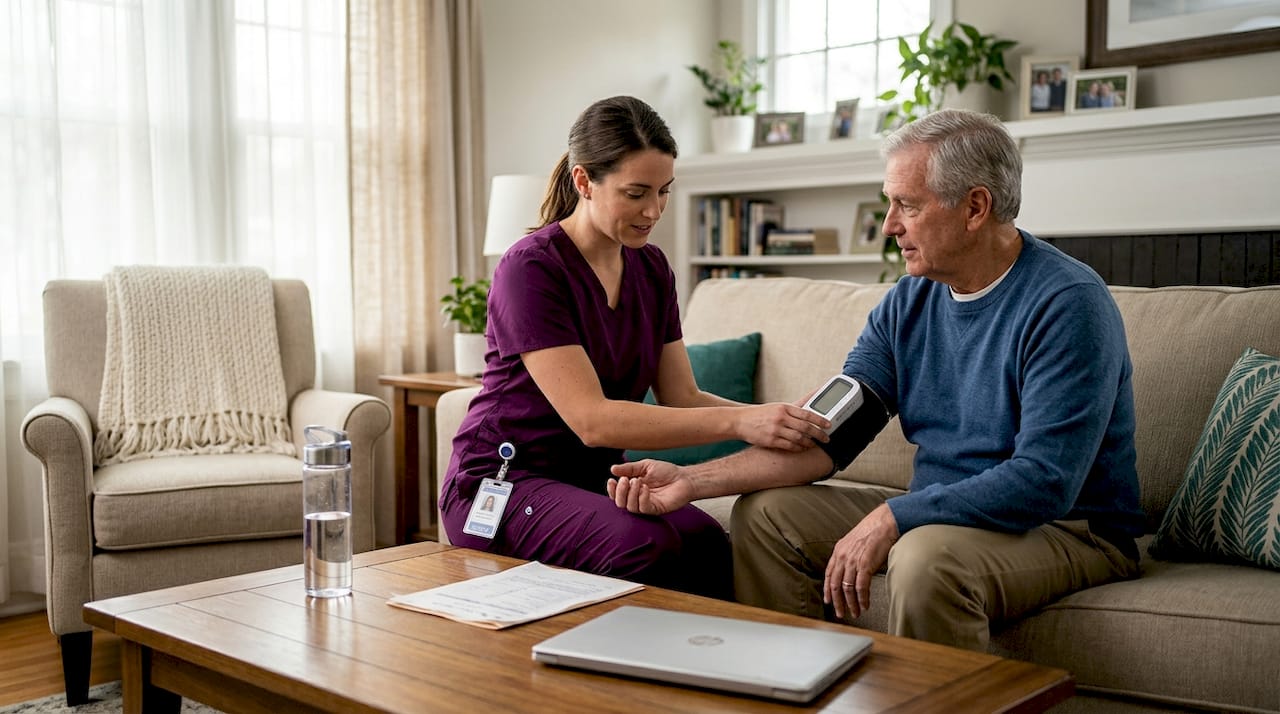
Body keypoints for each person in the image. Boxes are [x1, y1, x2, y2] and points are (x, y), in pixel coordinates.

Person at [608, 109, 1144, 652]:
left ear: (975, 208)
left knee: (925, 558)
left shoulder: (1067, 304)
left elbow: (1044, 481)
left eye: (907, 205)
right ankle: (792, 683)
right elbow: (828, 433)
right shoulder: (908, 302)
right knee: (766, 515)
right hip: (943, 512)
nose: (889, 225)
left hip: (1068, 528)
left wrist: (895, 515)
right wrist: (691, 481)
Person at [439, 95, 829, 599]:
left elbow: (682, 396)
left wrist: (774, 420)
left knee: (706, 540)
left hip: (593, 480)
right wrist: (740, 423)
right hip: (502, 482)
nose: (654, 210)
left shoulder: (652, 268)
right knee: (646, 545)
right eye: (636, 193)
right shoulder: (530, 269)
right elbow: (592, 421)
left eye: (664, 191)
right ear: (584, 181)